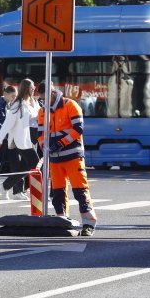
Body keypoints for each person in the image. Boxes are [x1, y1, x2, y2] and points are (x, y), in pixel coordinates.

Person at [36, 81, 97, 236]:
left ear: (52, 92)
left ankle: (88, 224)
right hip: (54, 159)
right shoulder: (43, 111)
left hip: (73, 156)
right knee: (58, 193)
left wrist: (61, 143)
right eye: (42, 99)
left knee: (80, 191)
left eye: (45, 98)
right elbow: (40, 133)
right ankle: (62, 222)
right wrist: (43, 145)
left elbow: (79, 128)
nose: (44, 102)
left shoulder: (70, 105)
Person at [0, 79, 40, 200]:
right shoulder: (17, 104)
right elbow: (7, 124)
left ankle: (5, 186)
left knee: (25, 166)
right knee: (35, 163)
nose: (34, 89)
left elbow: (33, 117)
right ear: (26, 89)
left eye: (34, 87)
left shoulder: (30, 102)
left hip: (31, 138)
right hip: (22, 140)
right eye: (31, 88)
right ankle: (37, 193)